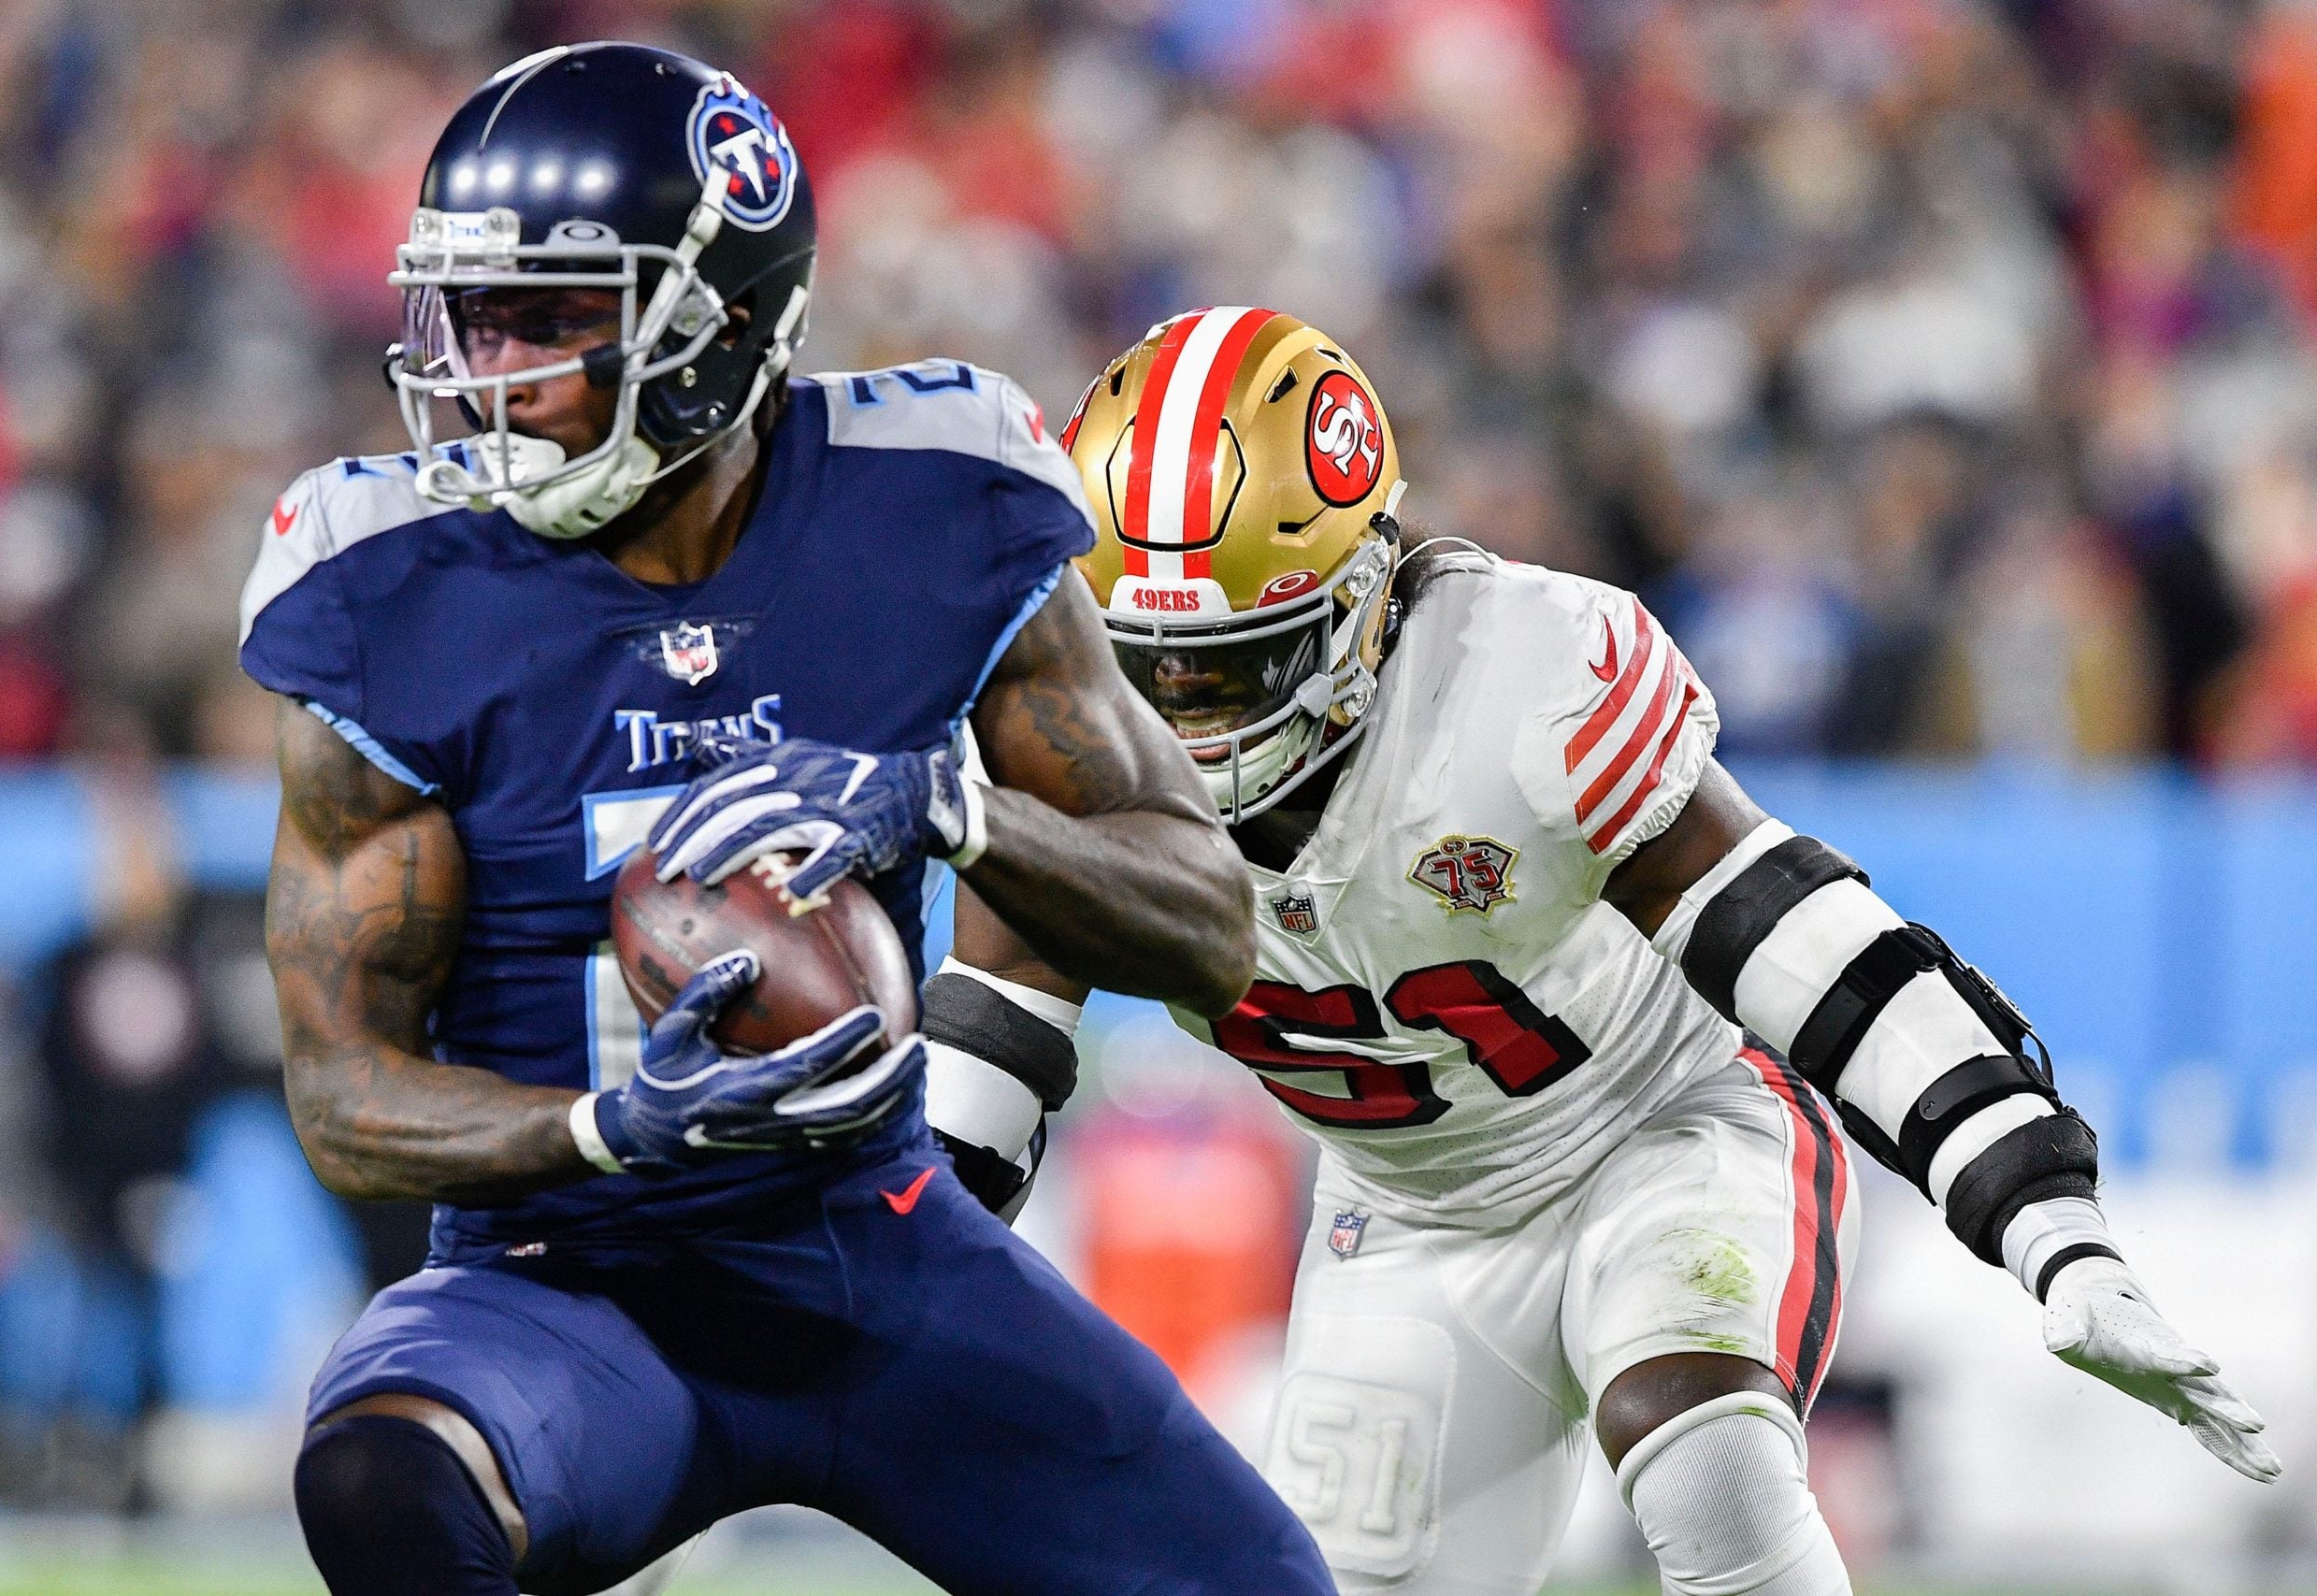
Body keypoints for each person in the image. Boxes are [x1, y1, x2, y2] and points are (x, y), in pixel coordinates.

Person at [928, 308, 2281, 1596]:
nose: (1176, 718)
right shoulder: (1057, 743)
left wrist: (2040, 1214)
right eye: (1144, 660)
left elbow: (1797, 933)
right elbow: (971, 1094)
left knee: (1704, 1457)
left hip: (1666, 1121)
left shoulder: (1522, 679)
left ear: (1356, 595)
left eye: (1224, 670)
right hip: (1408, 1210)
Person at [239, 46, 1331, 1596]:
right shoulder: (383, 584)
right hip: (566, 1287)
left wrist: (958, 808)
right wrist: (593, 1131)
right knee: (384, 1482)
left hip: (877, 1250)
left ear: (717, 326)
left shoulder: (934, 499)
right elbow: (345, 1094)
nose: (488, 372)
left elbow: (1207, 920)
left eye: (549, 318)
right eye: (469, 315)